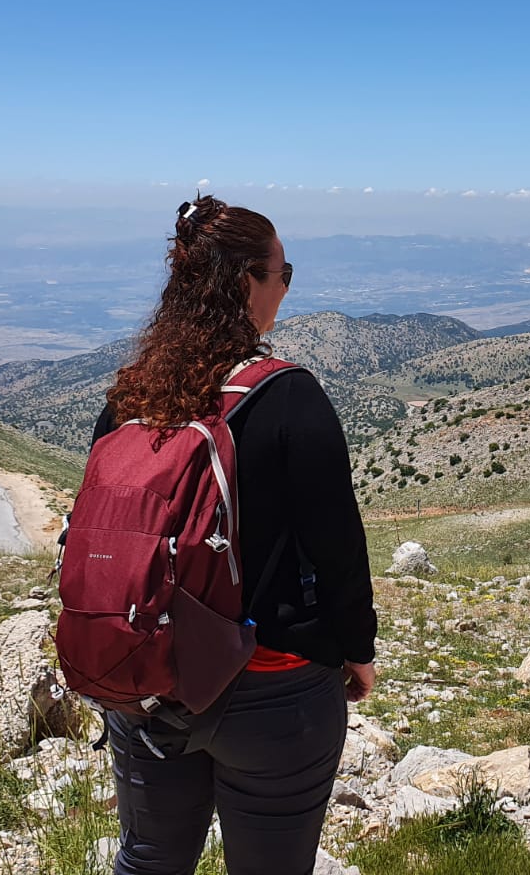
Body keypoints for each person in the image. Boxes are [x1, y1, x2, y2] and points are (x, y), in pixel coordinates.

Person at [92, 195, 377, 875]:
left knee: (149, 862)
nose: (284, 287)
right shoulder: (289, 397)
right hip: (272, 688)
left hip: (147, 679)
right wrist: (356, 650)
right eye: (283, 273)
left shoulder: (129, 399)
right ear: (249, 281)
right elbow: (337, 547)